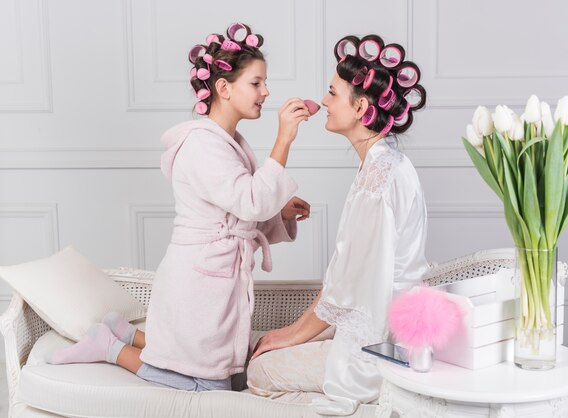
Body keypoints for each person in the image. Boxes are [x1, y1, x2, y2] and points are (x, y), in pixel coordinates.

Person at [47, 22, 312, 392]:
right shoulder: (202, 146)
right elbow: (250, 202)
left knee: (229, 374)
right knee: (208, 385)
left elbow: (240, 212)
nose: (266, 92)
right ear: (223, 87)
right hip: (199, 279)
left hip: (216, 275)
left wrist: (280, 213)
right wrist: (284, 140)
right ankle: (109, 346)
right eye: (256, 83)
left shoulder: (229, 141)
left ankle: (126, 332)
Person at [247, 34, 430, 415]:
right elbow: (344, 279)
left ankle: (373, 402)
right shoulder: (382, 164)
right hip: (378, 320)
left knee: (259, 372)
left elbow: (352, 287)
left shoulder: (379, 180)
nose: (325, 102)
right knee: (268, 349)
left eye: (332, 93)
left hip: (381, 343)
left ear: (361, 106)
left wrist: (293, 335)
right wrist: (294, 332)